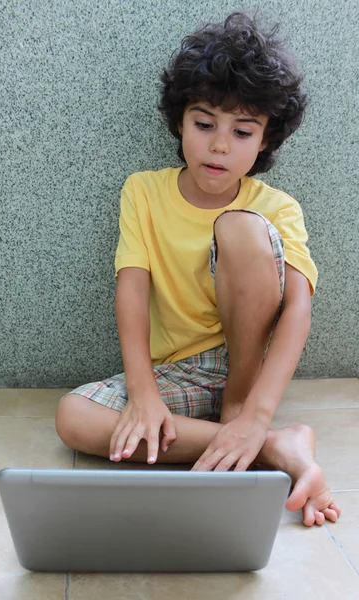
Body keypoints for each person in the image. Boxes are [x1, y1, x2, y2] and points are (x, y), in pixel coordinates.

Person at [55, 12, 341, 527]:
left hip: (244, 371)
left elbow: (298, 308)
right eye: (204, 124)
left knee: (239, 228)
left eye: (242, 131)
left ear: (266, 140)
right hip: (177, 373)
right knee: (73, 418)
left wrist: (254, 412)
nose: (219, 145)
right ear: (179, 122)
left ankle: (240, 420)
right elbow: (132, 289)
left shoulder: (277, 207)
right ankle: (275, 447)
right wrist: (143, 394)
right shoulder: (143, 191)